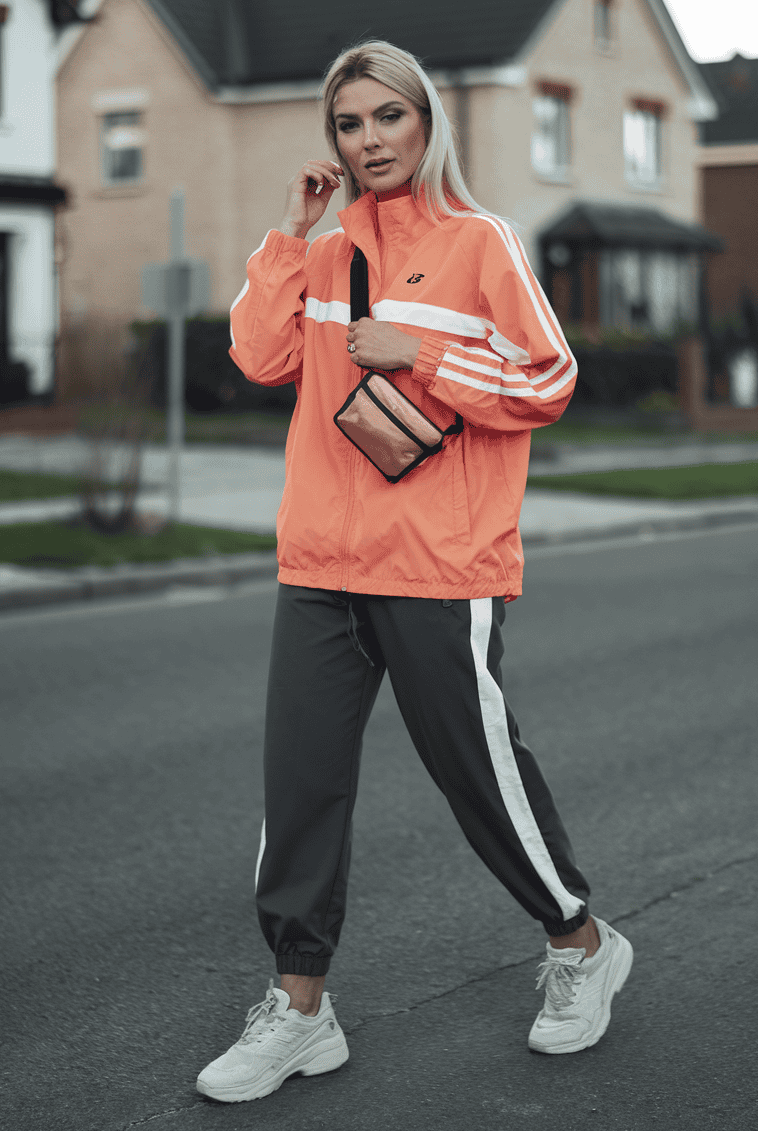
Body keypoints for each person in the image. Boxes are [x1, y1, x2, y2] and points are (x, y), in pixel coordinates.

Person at [196, 40, 632, 1105]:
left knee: (475, 776)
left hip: (439, 565)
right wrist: (287, 236)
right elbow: (257, 357)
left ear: (425, 122)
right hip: (319, 564)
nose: (368, 141)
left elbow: (548, 379)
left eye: (386, 118)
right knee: (297, 791)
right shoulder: (326, 244)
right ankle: (300, 1008)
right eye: (348, 124)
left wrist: (421, 352)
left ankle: (578, 943)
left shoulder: (481, 241)